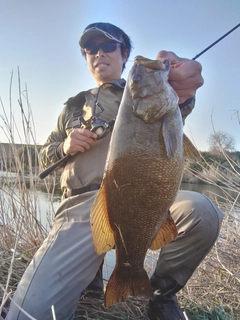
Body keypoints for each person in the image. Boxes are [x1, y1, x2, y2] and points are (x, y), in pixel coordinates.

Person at [6, 22, 223, 320]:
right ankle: (92, 273)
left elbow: (179, 105)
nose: (99, 53)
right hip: (80, 210)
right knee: (27, 315)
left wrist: (183, 86)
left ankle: (161, 294)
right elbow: (44, 156)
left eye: (108, 46)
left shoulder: (145, 92)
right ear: (85, 57)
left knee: (204, 210)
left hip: (146, 198)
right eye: (90, 49)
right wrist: (64, 147)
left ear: (125, 54)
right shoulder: (71, 107)